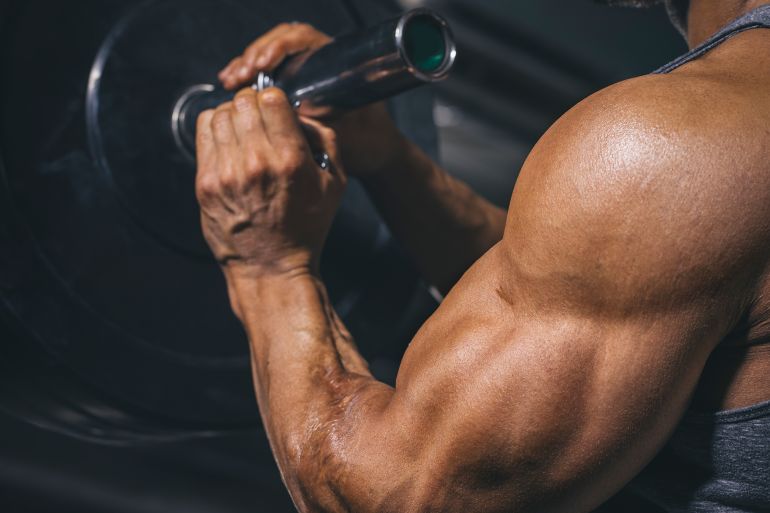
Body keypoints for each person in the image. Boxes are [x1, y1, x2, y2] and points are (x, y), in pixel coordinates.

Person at [194, 0, 770, 511]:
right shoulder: (723, 146)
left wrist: (268, 267)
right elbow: (616, 286)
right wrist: (389, 160)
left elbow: (400, 497)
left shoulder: (683, 145)